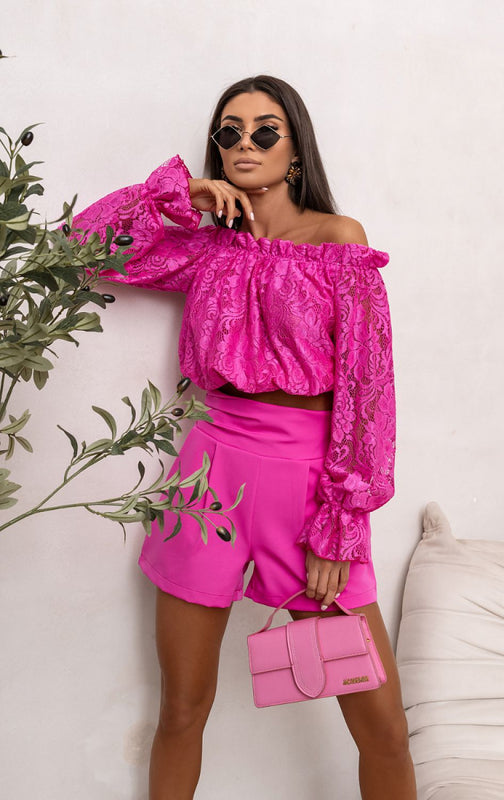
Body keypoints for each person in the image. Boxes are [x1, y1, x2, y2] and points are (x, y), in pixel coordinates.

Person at [71, 75, 416, 800]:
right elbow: (85, 248)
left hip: (307, 487)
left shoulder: (337, 242)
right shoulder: (205, 245)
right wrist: (179, 198)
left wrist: (340, 522)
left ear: (295, 149)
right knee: (183, 710)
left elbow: (366, 388)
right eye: (229, 132)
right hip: (209, 478)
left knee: (381, 726)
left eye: (264, 130)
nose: (243, 144)